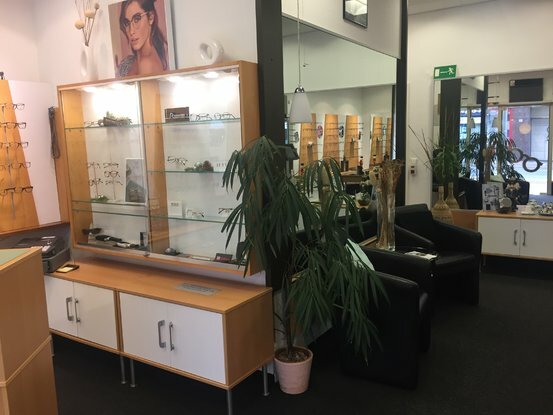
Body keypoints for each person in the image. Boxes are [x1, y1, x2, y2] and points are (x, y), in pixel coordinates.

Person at [116, 0, 168, 77]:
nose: (131, 31)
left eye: (137, 19)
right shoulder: (132, 60)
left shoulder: (147, 64)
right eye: (127, 23)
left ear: (151, 17)